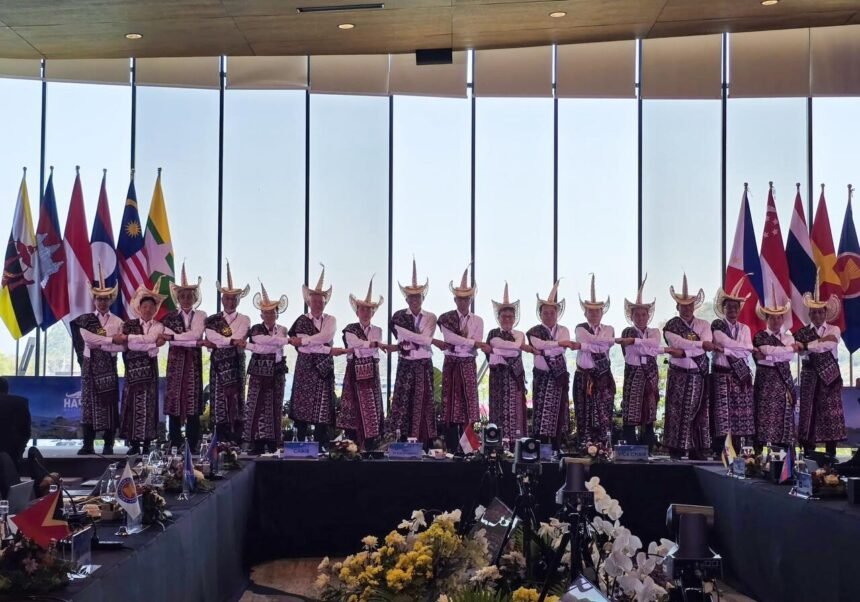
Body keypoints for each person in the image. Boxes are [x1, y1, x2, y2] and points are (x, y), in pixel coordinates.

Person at [287, 264, 344, 447]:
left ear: (324, 302)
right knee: (301, 412)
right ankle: (299, 446)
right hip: (305, 367)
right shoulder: (301, 321)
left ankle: (322, 447)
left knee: (323, 411)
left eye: (321, 301)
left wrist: (304, 340)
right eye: (314, 300)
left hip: (323, 369)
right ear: (309, 302)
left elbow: (326, 336)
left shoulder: (331, 320)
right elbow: (307, 349)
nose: (318, 303)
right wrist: (323, 347)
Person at [70, 266, 124, 455]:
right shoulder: (84, 320)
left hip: (109, 367)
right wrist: (109, 341)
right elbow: (86, 338)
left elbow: (122, 346)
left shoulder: (118, 322)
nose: (102, 301)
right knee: (88, 406)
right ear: (94, 300)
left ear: (111, 299)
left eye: (105, 298)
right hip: (90, 368)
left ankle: (108, 444)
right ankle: (88, 444)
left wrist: (100, 344)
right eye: (99, 298)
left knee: (109, 406)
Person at [337, 276, 395, 451]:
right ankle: (350, 449)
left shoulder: (377, 330)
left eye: (369, 310)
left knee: (371, 412)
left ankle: (369, 449)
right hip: (354, 374)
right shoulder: (350, 328)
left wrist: (367, 346)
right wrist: (372, 345)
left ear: (373, 313)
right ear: (357, 311)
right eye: (363, 309)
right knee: (352, 412)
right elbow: (354, 344)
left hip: (371, 374)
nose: (366, 312)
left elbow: (364, 348)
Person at [662, 275, 715, 460]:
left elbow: (705, 342)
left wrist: (685, 352)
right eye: (683, 306)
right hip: (679, 374)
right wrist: (699, 346)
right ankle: (675, 449)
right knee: (676, 411)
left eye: (690, 305)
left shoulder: (704, 324)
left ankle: (697, 449)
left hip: (698, 373)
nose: (686, 308)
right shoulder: (671, 325)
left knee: (699, 410)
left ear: (694, 306)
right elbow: (677, 342)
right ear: (677, 307)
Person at [388, 259, 440, 446]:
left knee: (424, 401)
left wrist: (413, 338)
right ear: (406, 299)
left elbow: (424, 338)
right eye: (411, 297)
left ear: (422, 298)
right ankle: (400, 441)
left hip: (423, 364)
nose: (415, 300)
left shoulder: (431, 317)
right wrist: (425, 340)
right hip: (405, 363)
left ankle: (424, 442)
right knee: (402, 402)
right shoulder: (398, 316)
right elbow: (422, 339)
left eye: (418, 296)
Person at [794, 276, 846, 457]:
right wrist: (817, 343)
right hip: (809, 375)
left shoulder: (834, 330)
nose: (817, 315)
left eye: (820, 312)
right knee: (808, 412)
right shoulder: (801, 331)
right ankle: (808, 453)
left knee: (830, 414)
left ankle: (831, 453)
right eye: (813, 312)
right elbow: (799, 352)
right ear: (809, 314)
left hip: (830, 376)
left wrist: (808, 345)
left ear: (825, 313)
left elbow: (829, 344)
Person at [437, 265, 487, 452]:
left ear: (470, 299)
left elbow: (477, 340)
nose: (463, 301)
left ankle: (468, 449)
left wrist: (466, 343)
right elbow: (449, 339)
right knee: (451, 404)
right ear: (455, 299)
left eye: (466, 298)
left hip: (467, 362)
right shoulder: (446, 318)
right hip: (452, 362)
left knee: (468, 404)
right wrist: (470, 342)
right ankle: (451, 448)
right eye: (460, 298)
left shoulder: (478, 320)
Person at [115, 281, 166, 455]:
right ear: (139, 308)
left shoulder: (158, 326)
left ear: (155, 309)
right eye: (145, 306)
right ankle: (134, 444)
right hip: (133, 373)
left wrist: (130, 340)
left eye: (151, 307)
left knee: (149, 406)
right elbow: (146, 343)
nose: (148, 310)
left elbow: (149, 340)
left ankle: (147, 444)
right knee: (132, 406)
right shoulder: (128, 324)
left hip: (149, 374)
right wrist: (150, 345)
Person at [527, 281, 580, 449]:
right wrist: (555, 345)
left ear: (557, 314)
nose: (549, 315)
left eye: (552, 312)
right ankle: (540, 450)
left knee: (558, 413)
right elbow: (540, 345)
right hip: (542, 376)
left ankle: (557, 448)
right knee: (541, 413)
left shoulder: (564, 329)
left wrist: (546, 348)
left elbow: (557, 348)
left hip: (558, 376)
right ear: (540, 314)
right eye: (545, 312)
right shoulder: (534, 331)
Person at [161, 263, 206, 451]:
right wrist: (190, 341)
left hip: (193, 363)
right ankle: (175, 441)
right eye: (183, 296)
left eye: (190, 296)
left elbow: (196, 334)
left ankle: (193, 443)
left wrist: (175, 337)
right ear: (177, 298)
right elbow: (178, 340)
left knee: (193, 401)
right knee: (174, 401)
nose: (186, 299)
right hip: (175, 363)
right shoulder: (169, 317)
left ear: (195, 298)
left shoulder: (201, 315)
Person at [204, 261, 251, 445]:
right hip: (218, 365)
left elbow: (240, 335)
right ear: (223, 300)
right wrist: (230, 342)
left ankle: (237, 439)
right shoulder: (212, 320)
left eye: (234, 299)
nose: (230, 301)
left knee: (237, 398)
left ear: (238, 300)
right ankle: (220, 439)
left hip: (236, 363)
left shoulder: (244, 319)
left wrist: (222, 342)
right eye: (227, 298)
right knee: (219, 399)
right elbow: (211, 336)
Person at [616, 276, 663, 450]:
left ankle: (648, 448)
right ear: (631, 315)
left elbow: (654, 346)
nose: (641, 317)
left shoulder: (654, 332)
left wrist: (636, 342)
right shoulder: (627, 331)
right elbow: (635, 353)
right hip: (634, 373)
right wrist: (646, 347)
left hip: (650, 375)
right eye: (637, 314)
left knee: (649, 411)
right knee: (632, 411)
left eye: (644, 314)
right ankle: (630, 449)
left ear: (648, 316)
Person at [243, 283, 290, 454]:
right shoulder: (255, 329)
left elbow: (265, 345)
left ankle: (273, 442)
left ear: (277, 312)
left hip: (277, 371)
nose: (270, 314)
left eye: (273, 311)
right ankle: (255, 442)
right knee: (256, 405)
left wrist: (251, 346)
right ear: (261, 314)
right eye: (267, 312)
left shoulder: (283, 330)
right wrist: (258, 346)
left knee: (275, 406)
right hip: (258, 372)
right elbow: (264, 344)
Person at [710, 280, 755, 455]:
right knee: (721, 413)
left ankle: (737, 449)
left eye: (735, 307)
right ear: (724, 309)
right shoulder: (717, 325)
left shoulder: (744, 328)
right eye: (729, 307)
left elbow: (748, 349)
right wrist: (736, 347)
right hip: (721, 374)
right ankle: (719, 450)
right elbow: (725, 341)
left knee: (739, 413)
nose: (732, 310)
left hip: (739, 375)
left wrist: (727, 350)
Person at [485, 283, 531, 447]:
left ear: (514, 318)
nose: (507, 319)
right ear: (498, 318)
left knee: (516, 410)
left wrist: (498, 351)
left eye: (510, 317)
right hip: (498, 379)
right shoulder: (493, 333)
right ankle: (498, 446)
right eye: (504, 316)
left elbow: (514, 348)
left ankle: (516, 446)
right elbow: (503, 346)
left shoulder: (519, 334)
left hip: (514, 378)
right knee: (498, 411)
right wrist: (505, 349)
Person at [752, 294, 800, 452]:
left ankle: (781, 456)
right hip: (765, 381)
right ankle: (757, 457)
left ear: (782, 319)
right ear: (767, 319)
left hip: (783, 381)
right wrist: (782, 352)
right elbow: (765, 350)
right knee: (762, 416)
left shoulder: (788, 338)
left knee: (783, 417)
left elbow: (789, 356)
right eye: (772, 318)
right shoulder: (760, 336)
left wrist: (770, 355)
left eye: (778, 318)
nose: (775, 321)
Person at [573, 274, 616, 446]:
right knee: (583, 414)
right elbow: (602, 344)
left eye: (597, 311)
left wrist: (584, 346)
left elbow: (604, 345)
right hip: (584, 377)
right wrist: (597, 343)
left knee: (604, 414)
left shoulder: (609, 328)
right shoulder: (580, 328)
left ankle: (604, 448)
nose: (593, 314)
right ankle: (585, 446)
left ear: (602, 312)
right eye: (590, 311)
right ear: (585, 313)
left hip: (603, 377)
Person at [0, 377, 30, 467]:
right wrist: (20, 450)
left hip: (13, 451)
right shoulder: (20, 402)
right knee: (11, 478)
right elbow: (26, 431)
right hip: (12, 453)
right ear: (7, 389)